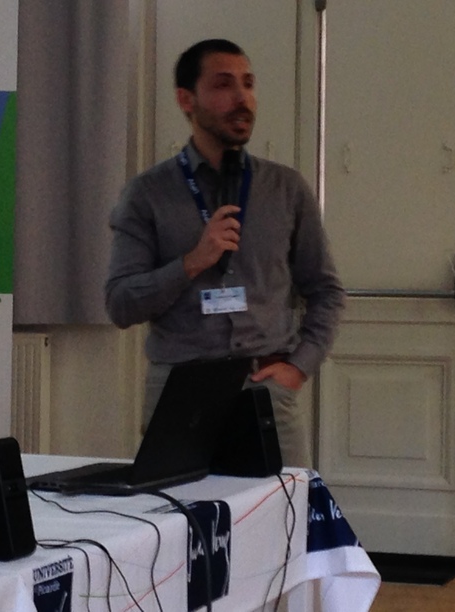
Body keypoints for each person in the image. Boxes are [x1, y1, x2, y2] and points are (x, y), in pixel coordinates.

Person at [104, 39, 345, 468]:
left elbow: (326, 291)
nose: (242, 98)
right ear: (186, 100)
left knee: (283, 510)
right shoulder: (147, 194)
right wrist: (192, 262)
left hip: (267, 389)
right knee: (179, 511)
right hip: (180, 394)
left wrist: (299, 367)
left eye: (248, 84)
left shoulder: (286, 189)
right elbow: (121, 304)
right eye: (223, 85)